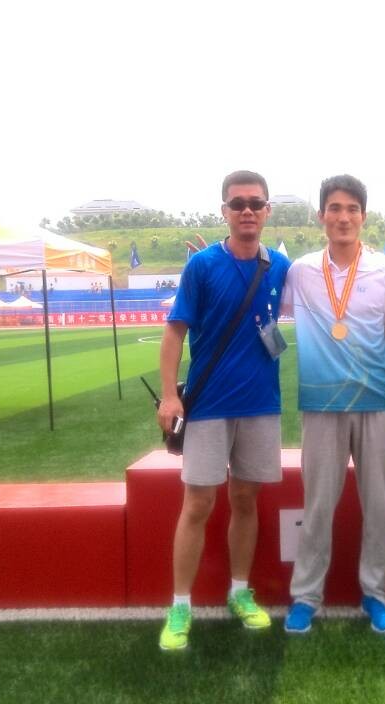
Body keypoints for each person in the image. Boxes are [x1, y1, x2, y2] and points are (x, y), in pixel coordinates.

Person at [156, 170, 291, 650]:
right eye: (238, 204)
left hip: (260, 404)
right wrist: (170, 395)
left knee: (246, 499)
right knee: (198, 504)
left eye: (256, 203)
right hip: (209, 404)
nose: (247, 211)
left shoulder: (280, 265)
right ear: (224, 212)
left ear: (268, 210)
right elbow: (174, 331)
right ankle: (180, 606)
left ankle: (239, 592)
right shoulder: (202, 266)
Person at [282, 174, 385, 634]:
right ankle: (306, 597)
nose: (343, 217)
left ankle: (376, 593)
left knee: (378, 505)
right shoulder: (300, 271)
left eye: (352, 209)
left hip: (377, 402)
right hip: (321, 404)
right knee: (317, 505)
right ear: (321, 216)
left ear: (363, 216)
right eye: (334, 208)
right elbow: (267, 311)